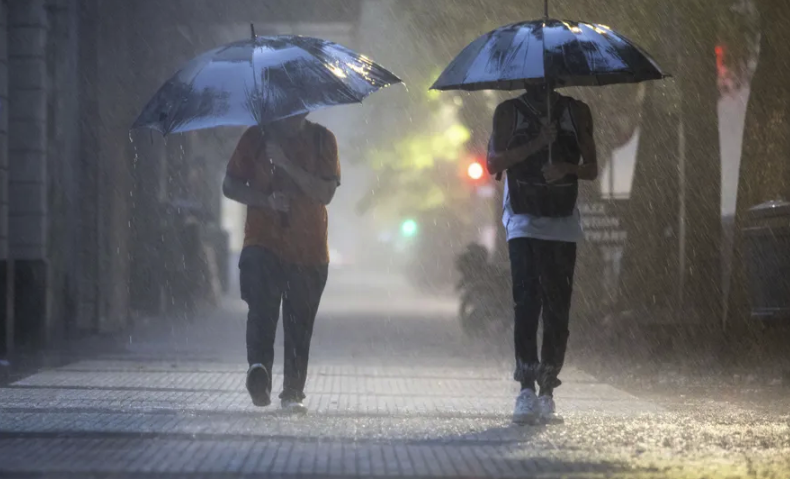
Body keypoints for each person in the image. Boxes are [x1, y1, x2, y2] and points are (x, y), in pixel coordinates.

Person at [487, 84, 597, 425]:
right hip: (522, 219)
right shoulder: (508, 112)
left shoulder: (576, 111)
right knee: (526, 300)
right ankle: (525, 387)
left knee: (557, 305)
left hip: (562, 221)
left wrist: (565, 166)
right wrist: (536, 143)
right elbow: (493, 162)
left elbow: (592, 168)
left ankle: (548, 388)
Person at [223, 113, 340, 414]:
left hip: (309, 249)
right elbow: (230, 186)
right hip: (263, 243)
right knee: (261, 309)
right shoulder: (256, 138)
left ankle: (292, 391)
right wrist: (266, 200)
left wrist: (287, 163)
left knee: (299, 323)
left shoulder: (322, 139)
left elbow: (325, 193)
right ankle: (258, 370)